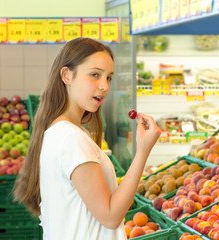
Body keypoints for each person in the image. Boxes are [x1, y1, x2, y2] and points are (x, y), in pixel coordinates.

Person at [12, 37, 161, 240]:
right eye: (94, 75)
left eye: (108, 77)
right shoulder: (71, 138)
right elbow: (110, 217)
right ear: (67, 75)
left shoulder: (58, 131)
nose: (104, 86)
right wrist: (143, 151)